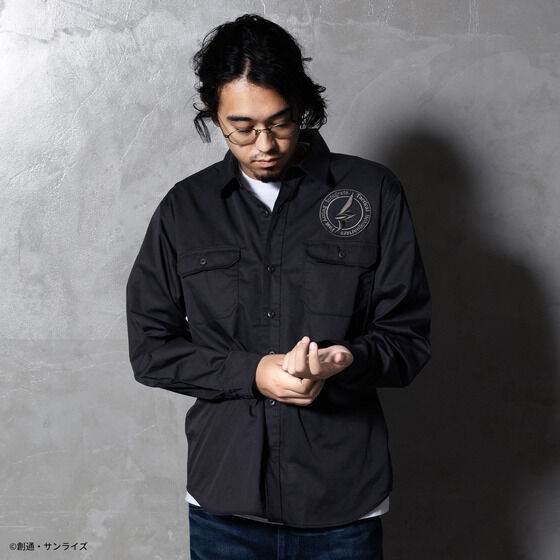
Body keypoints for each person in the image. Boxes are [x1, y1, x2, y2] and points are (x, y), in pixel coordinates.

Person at [126, 13, 431, 560]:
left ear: (302, 106)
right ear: (213, 115)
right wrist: (253, 373)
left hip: (343, 500)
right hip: (224, 504)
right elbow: (151, 350)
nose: (264, 144)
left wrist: (347, 360)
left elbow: (407, 339)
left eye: (281, 122)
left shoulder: (372, 192)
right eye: (242, 127)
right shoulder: (184, 209)